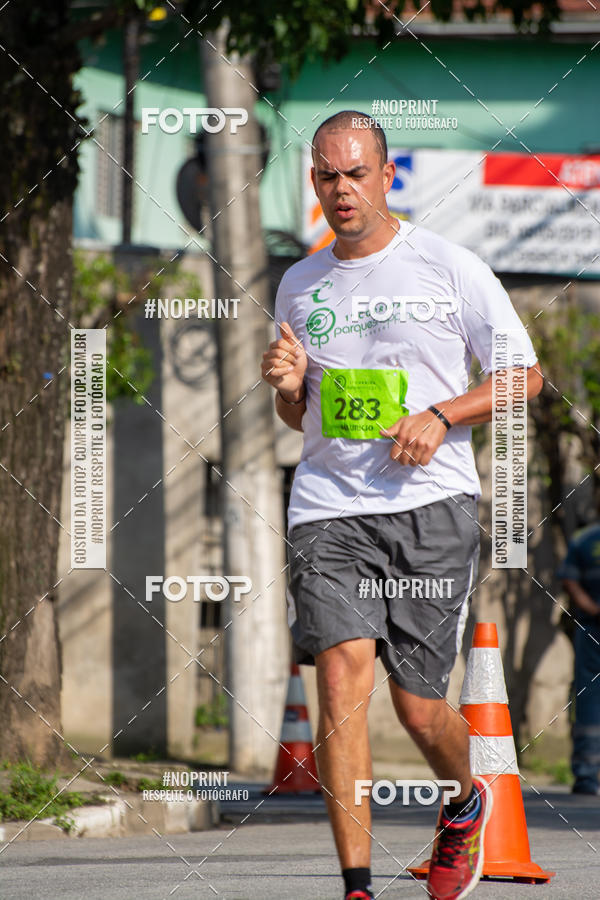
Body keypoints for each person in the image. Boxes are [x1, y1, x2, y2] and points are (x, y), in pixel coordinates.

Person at [261, 109, 543, 900]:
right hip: (327, 504)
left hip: (431, 504)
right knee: (341, 683)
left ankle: (465, 798)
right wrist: (287, 389)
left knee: (420, 711)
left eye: (356, 173)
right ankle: (356, 887)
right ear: (312, 182)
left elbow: (526, 378)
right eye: (326, 175)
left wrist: (442, 414)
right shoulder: (300, 281)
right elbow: (300, 414)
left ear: (388, 176)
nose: (341, 190)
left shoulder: (448, 266)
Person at [558, 519, 600, 796]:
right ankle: (585, 775)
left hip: (593, 626)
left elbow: (569, 580)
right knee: (588, 698)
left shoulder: (586, 538)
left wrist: (593, 609)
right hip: (593, 628)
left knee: (589, 697)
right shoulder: (586, 538)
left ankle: (586, 776)